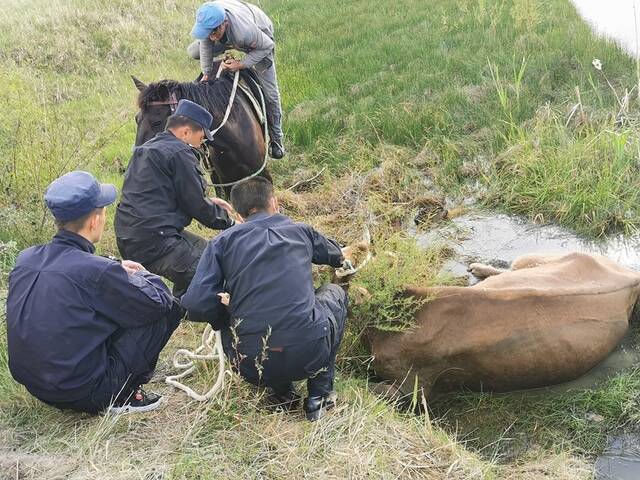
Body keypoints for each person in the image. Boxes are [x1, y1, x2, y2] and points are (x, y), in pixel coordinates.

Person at [6, 171, 181, 414]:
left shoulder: (26, 259)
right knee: (166, 307)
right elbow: (159, 302)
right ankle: (123, 395)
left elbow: (76, 275)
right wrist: (140, 275)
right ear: (94, 221)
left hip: (36, 385)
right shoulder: (96, 271)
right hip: (84, 392)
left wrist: (113, 269)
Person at [182, 177, 349, 421]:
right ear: (275, 203)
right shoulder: (300, 231)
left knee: (253, 322)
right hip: (310, 350)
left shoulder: (221, 243)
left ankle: (281, 393)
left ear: (238, 216)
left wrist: (227, 317)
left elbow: (194, 304)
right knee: (335, 293)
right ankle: (319, 397)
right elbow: (336, 256)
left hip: (250, 363)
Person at [115, 99, 236, 297]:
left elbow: (158, 195)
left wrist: (209, 201)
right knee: (213, 271)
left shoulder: (149, 148)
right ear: (186, 132)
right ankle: (200, 316)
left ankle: (181, 305)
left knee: (206, 251)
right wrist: (231, 224)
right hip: (155, 242)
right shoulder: (180, 152)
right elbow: (196, 206)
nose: (202, 143)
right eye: (202, 137)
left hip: (132, 235)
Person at [187, 0, 286, 159]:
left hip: (259, 38)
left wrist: (241, 64)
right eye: (207, 33)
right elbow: (206, 45)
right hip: (230, 35)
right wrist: (206, 73)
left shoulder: (244, 32)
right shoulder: (210, 27)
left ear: (224, 23)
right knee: (193, 51)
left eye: (213, 33)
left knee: (271, 95)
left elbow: (268, 45)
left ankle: (277, 139)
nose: (210, 37)